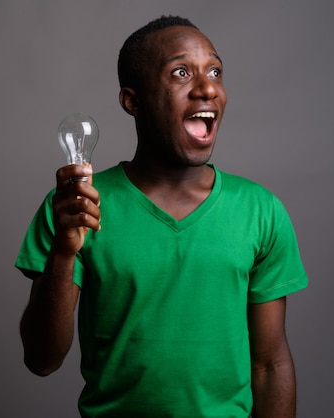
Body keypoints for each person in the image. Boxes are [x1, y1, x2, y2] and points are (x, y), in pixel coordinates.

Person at [16, 14, 308, 418]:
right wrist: (64, 253)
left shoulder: (260, 211)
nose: (207, 87)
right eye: (182, 72)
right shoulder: (75, 207)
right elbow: (41, 359)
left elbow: (271, 363)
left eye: (216, 71)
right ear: (132, 101)